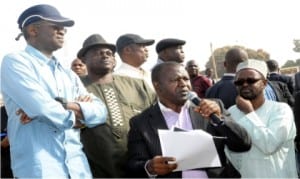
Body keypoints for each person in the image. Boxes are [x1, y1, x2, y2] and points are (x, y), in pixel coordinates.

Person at [1, 4, 107, 178]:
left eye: (63, 28)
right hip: (39, 169)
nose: (62, 31)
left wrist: (63, 105)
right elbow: (42, 109)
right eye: (55, 26)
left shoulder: (68, 74)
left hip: (78, 167)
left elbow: (100, 112)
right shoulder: (15, 62)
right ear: (33, 30)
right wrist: (80, 118)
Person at [127, 62, 251, 178]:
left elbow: (243, 144)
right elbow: (134, 164)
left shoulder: (211, 107)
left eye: (186, 79)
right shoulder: (140, 123)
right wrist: (150, 167)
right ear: (157, 86)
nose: (183, 84)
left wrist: (219, 119)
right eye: (175, 80)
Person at [77, 34, 156, 177]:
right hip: (96, 170)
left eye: (109, 53)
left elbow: (159, 114)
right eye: (98, 53)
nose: (105, 56)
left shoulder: (138, 85)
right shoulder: (74, 86)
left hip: (141, 166)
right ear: (83, 59)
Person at [225, 59, 297, 178]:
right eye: (239, 82)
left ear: (264, 83)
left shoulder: (281, 110)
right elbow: (231, 152)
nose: (244, 85)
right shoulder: (231, 112)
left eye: (251, 80)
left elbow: (269, 145)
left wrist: (249, 113)